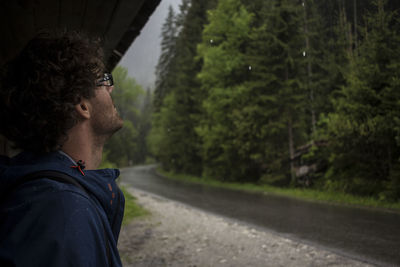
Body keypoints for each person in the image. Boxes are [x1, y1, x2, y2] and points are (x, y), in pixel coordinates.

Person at [0, 30, 125, 267]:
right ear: (82, 105)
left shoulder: (48, 196)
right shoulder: (62, 212)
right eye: (104, 81)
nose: (111, 89)